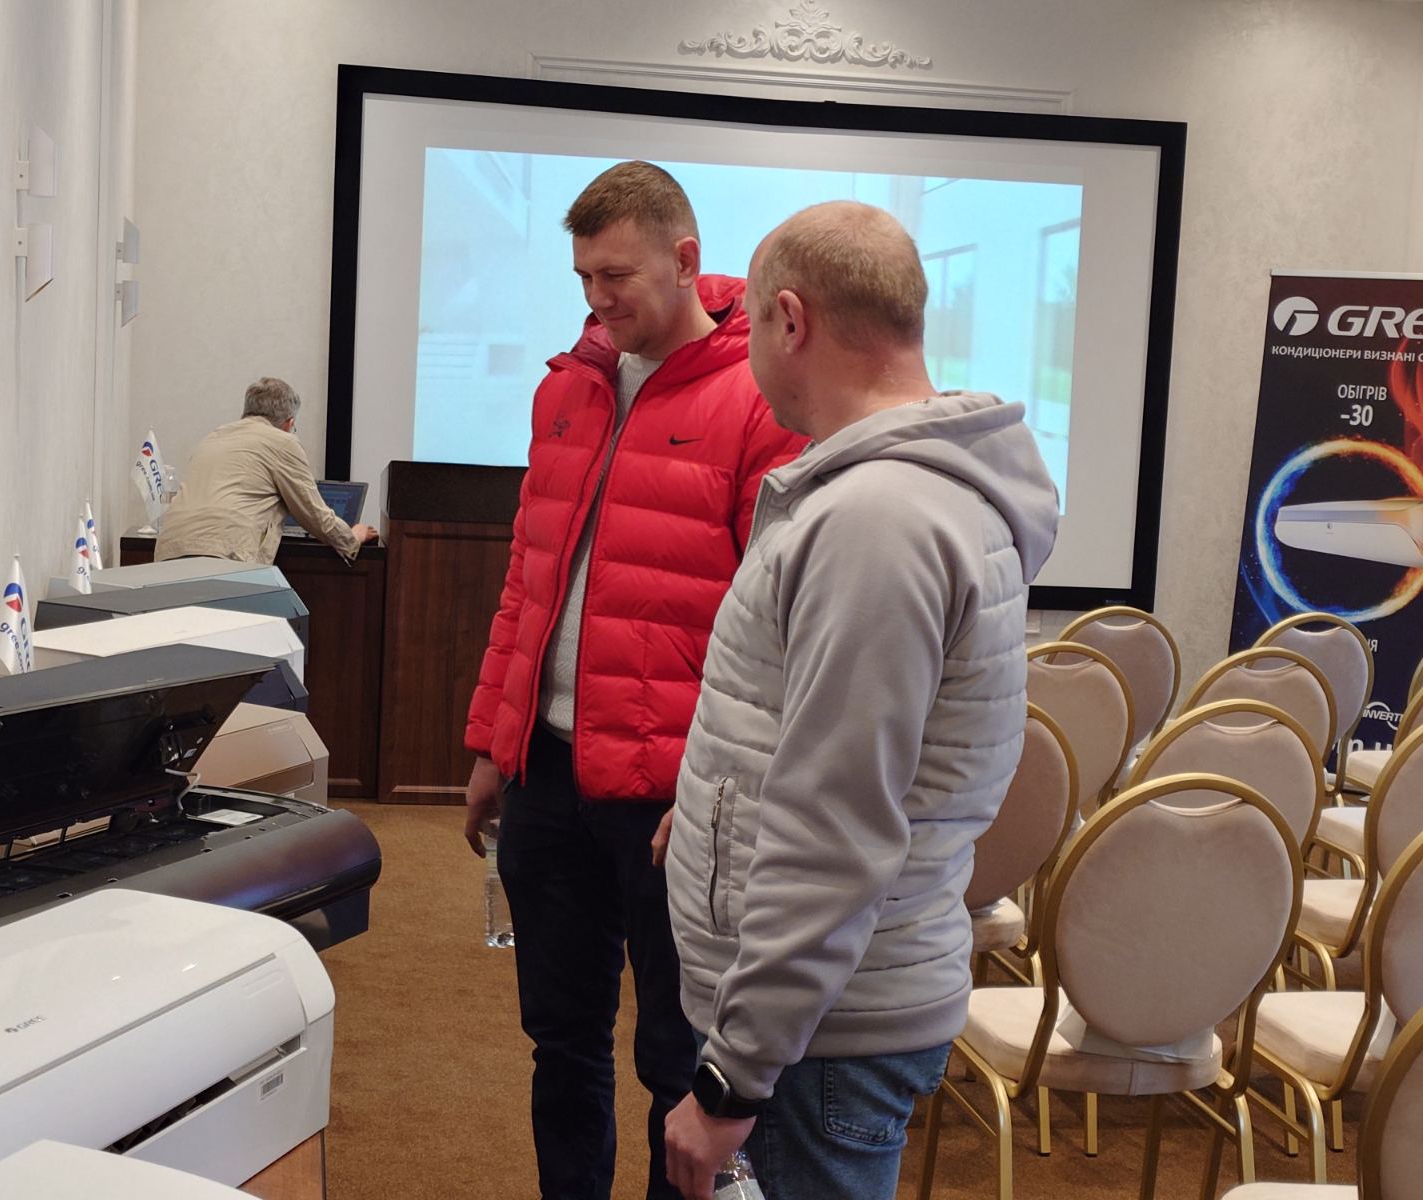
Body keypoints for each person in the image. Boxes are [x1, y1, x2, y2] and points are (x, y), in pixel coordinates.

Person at [659, 201, 1060, 1200]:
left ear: (791, 319)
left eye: (750, 323)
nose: (747, 350)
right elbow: (816, 747)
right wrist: (710, 815)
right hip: (833, 1008)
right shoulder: (900, 496)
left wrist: (732, 1076)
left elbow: (837, 827)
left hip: (818, 1035)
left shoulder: (876, 518)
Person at [461, 161, 805, 1200]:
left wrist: (721, 789)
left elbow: (773, 626)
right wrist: (493, 744)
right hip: (548, 771)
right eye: (583, 278)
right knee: (559, 1039)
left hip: (673, 791)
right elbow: (527, 581)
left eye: (616, 276)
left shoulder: (755, 399)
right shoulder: (565, 388)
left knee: (675, 1058)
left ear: (685, 260)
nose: (597, 299)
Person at [153, 377, 377, 565]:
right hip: (225, 554)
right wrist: (351, 538)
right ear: (289, 424)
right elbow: (313, 514)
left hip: (169, 552)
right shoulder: (283, 441)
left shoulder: (212, 438)